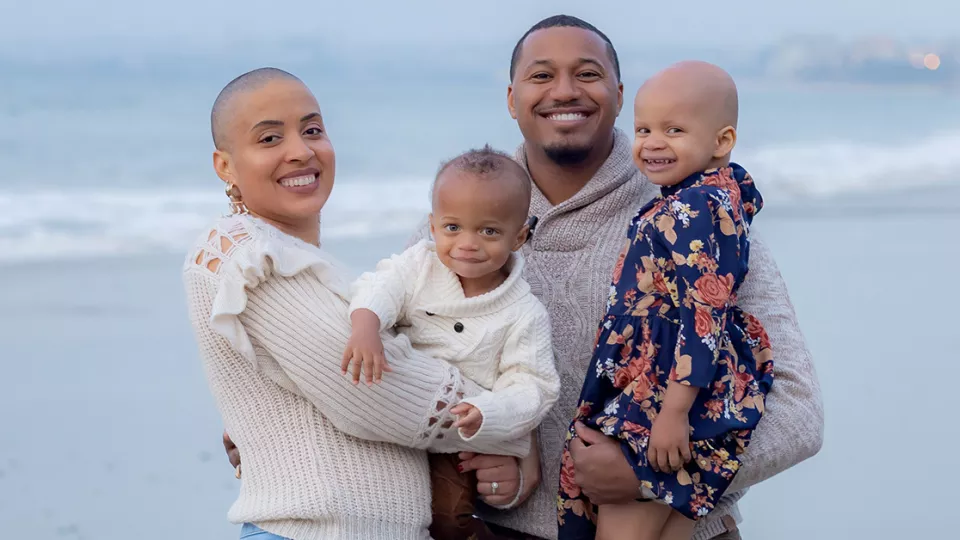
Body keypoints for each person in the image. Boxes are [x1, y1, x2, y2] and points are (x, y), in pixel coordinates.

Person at [222, 15, 824, 540]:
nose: (564, 90)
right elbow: (390, 363)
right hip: (494, 531)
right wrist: (279, 429)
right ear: (511, 99)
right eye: (541, 75)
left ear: (619, 94)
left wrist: (653, 470)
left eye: (587, 74)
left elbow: (798, 412)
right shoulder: (463, 216)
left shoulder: (688, 216)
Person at [185, 67, 535, 540]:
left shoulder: (314, 265)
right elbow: (378, 393)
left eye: (312, 130)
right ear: (225, 165)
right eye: (269, 138)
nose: (300, 150)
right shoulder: (242, 252)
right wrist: (512, 424)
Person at [557, 61, 775, 540]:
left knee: (624, 526)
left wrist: (674, 411)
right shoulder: (712, 195)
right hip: (682, 386)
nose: (653, 142)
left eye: (674, 130)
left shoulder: (694, 207)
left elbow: (705, 311)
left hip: (667, 391)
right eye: (643, 129)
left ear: (722, 141)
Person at [342, 145, 561, 540]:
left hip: (456, 436)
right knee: (371, 500)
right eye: (453, 227)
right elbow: (381, 286)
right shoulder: (419, 265)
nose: (468, 244)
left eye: (489, 231)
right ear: (433, 225)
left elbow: (533, 385)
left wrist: (487, 412)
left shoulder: (523, 312)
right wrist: (366, 325)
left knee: (449, 515)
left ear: (520, 236)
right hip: (394, 414)